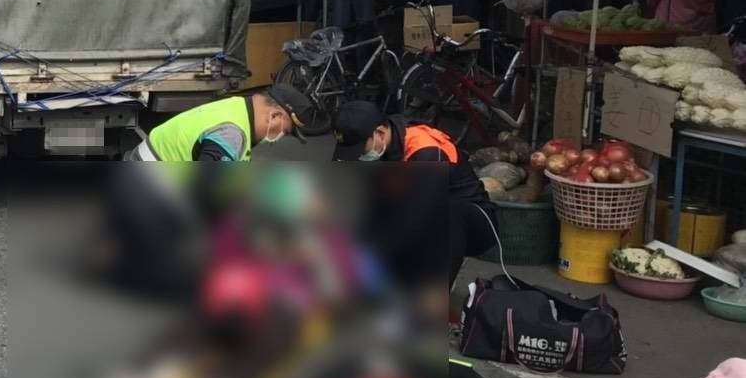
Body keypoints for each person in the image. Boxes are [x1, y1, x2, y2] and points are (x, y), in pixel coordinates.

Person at [331, 101, 494, 312]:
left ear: (380, 133)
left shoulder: (426, 151)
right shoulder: (387, 144)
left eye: (359, 149)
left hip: (473, 221)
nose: (357, 157)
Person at [129, 85, 313, 161]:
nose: (280, 137)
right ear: (274, 116)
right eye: (285, 131)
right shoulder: (232, 133)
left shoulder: (237, 106)